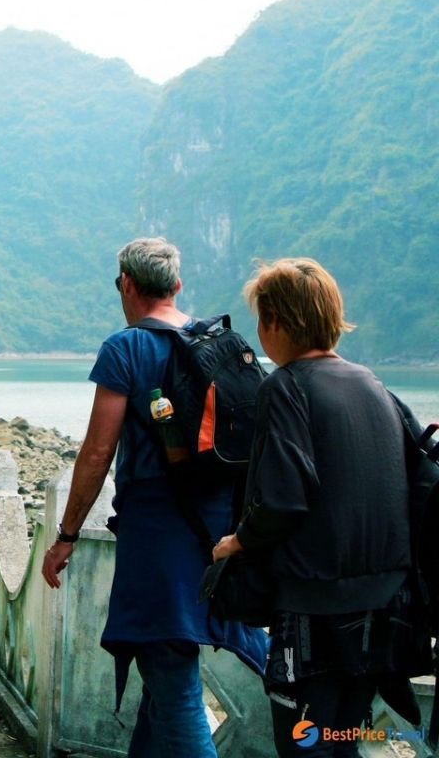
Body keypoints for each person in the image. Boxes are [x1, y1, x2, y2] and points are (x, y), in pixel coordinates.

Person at [40, 237, 267, 756]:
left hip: (158, 535)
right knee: (162, 670)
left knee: (171, 671)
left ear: (126, 283)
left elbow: (98, 453)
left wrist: (67, 535)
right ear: (178, 285)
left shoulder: (126, 348)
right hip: (218, 530)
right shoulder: (215, 343)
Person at [212, 258, 426, 756]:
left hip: (314, 606)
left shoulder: (286, 387)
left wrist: (236, 541)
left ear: (277, 322)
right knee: (344, 738)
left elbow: (283, 499)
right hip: (383, 604)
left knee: (303, 741)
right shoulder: (375, 386)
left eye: (262, 319)